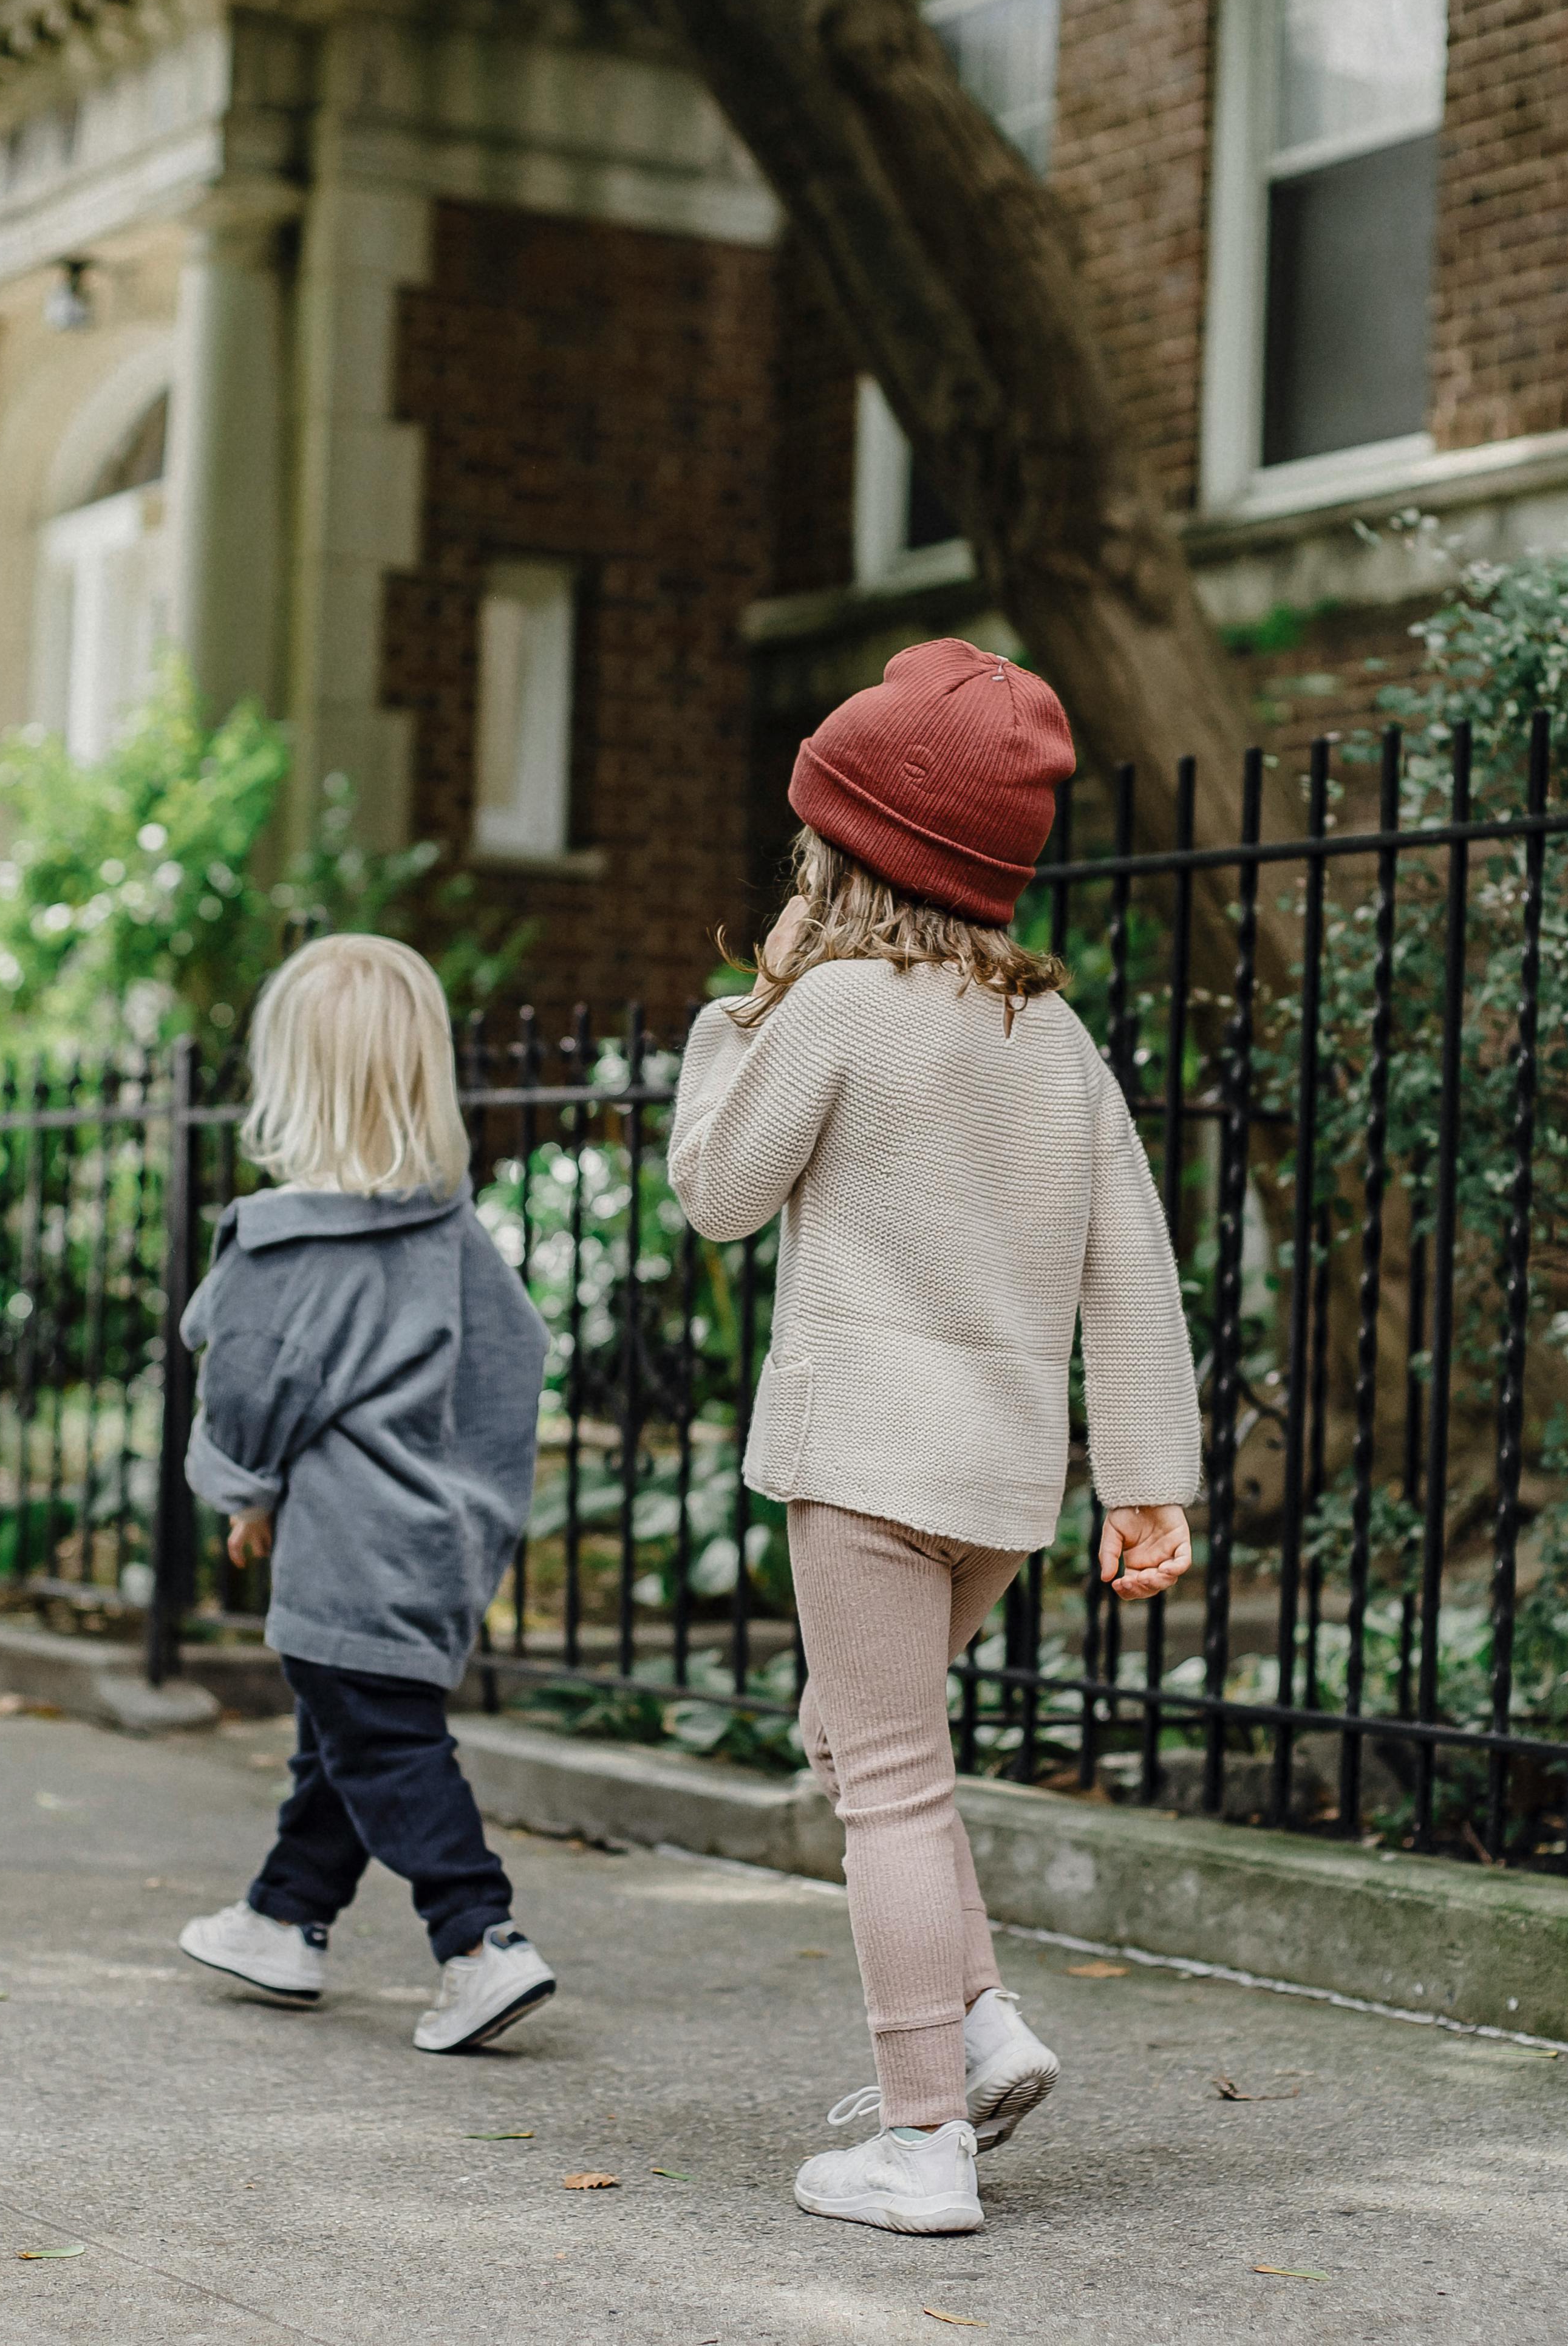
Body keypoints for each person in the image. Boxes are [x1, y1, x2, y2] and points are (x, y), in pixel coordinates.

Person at [667, 638, 1199, 2237]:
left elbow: (718, 1195)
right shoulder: (1058, 1040)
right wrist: (1151, 1483)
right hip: (997, 1485)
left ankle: (919, 2139)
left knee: (885, 1779)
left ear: (848, 848)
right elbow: (1135, 1271)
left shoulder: (828, 1008)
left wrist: (730, 1024)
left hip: (862, 1466)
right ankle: (975, 2030)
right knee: (859, 1736)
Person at [171, 933, 560, 2055]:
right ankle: (282, 1917)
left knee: (384, 1746)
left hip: (344, 1546)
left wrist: (246, 1494)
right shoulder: (450, 1237)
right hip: (439, 1541)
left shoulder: (282, 1248)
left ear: (290, 1077)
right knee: (345, 1733)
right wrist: (475, 1503)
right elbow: (512, 1359)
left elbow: (248, 1388)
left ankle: (479, 1939)